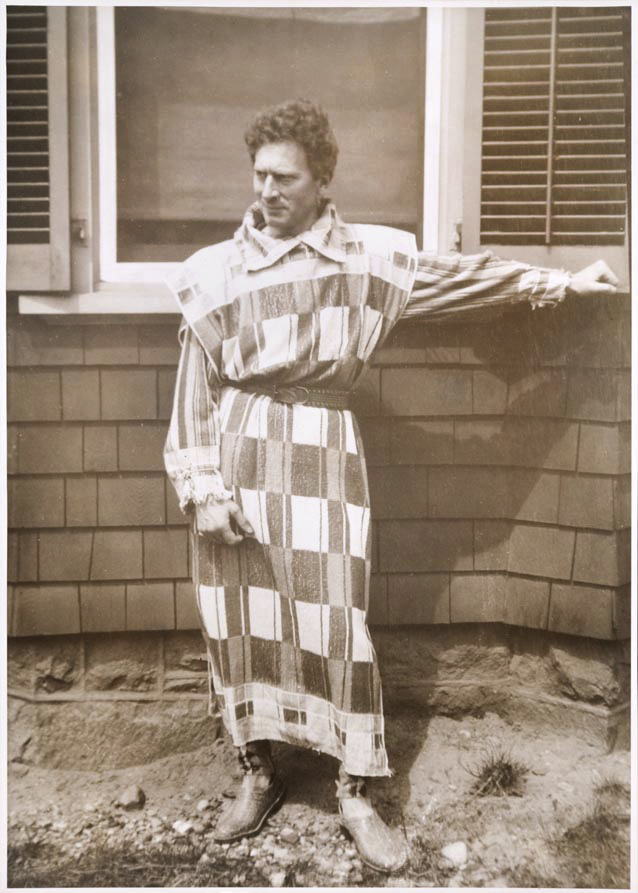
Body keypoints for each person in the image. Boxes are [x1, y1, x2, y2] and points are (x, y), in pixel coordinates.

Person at [164, 99, 619, 873]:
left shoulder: (364, 260)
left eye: (285, 177)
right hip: (236, 454)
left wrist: (560, 283)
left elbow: (458, 279)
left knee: (335, 618)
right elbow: (192, 392)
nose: (267, 190)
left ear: (321, 180)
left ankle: (355, 789)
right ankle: (259, 771)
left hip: (322, 453)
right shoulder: (213, 272)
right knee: (238, 617)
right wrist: (203, 489)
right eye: (260, 174)